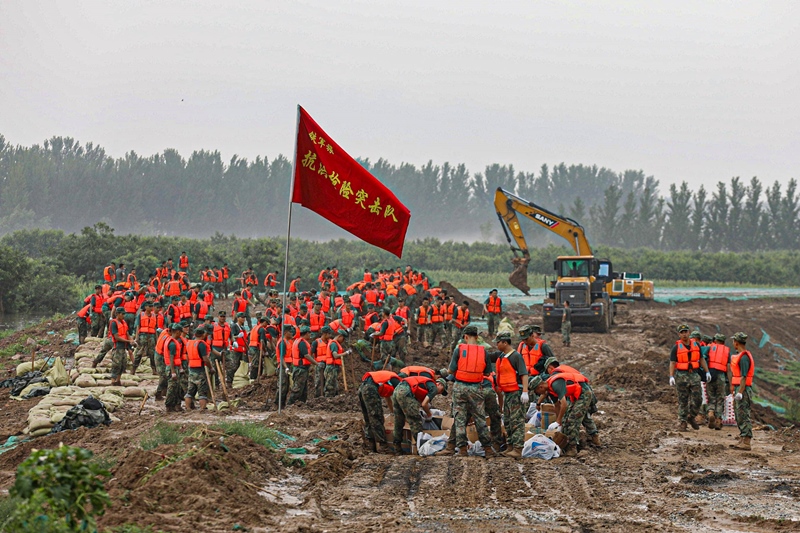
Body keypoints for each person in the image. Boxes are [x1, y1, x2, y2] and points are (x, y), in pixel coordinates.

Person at [448, 325, 499, 457]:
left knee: (460, 418)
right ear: (477, 337)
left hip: (459, 387)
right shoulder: (484, 352)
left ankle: (462, 449)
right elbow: (488, 372)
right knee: (480, 418)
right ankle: (487, 449)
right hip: (476, 387)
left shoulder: (459, 350)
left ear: (465, 337)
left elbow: (451, 370)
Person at [530, 364, 597, 457]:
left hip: (584, 393)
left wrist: (557, 421)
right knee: (566, 419)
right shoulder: (549, 390)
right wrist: (560, 422)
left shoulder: (555, 384)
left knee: (573, 419)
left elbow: (564, 404)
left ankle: (572, 448)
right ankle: (566, 444)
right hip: (576, 395)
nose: (539, 394)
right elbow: (557, 406)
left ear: (540, 387)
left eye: (537, 392)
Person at [391, 375, 448, 455]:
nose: (439, 393)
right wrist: (429, 414)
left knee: (398, 421)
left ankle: (397, 448)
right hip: (406, 392)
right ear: (439, 384)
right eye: (442, 391)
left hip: (397, 390)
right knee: (415, 421)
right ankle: (422, 449)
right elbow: (424, 404)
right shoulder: (434, 387)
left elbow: (421, 403)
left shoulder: (426, 385)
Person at [669, 324, 711, 431]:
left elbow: (701, 359)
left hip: (694, 375)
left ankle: (691, 416)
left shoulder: (696, 345)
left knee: (698, 399)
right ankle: (683, 421)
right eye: (682, 332)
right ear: (679, 334)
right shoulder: (676, 347)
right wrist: (671, 376)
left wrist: (707, 372)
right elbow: (673, 362)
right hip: (681, 375)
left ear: (689, 332)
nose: (684, 334)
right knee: (683, 399)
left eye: (685, 332)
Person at [494, 332, 529, 459]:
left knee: (516, 421)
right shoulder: (503, 356)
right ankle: (510, 446)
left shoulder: (516, 357)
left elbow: (524, 374)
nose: (496, 345)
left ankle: (518, 449)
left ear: (504, 342)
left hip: (516, 393)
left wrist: (525, 391)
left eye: (498, 342)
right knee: (508, 421)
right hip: (508, 393)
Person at [359, 370, 401, 454]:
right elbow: (400, 400)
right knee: (376, 417)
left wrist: (393, 414)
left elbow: (389, 400)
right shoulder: (397, 382)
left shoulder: (387, 380)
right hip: (370, 388)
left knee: (368, 417)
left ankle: (370, 444)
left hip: (362, 387)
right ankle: (382, 446)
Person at [729, 332, 754, 450]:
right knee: (739, 414)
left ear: (736, 342)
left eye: (734, 341)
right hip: (740, 388)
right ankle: (743, 437)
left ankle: (747, 440)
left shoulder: (743, 357)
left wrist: (740, 392)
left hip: (743, 389)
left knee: (743, 414)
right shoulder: (740, 355)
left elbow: (744, 376)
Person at [184, 328, 213, 411]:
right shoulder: (201, 344)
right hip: (200, 370)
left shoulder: (189, 343)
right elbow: (205, 359)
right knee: (202, 391)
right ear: (203, 335)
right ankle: (202, 408)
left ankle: (188, 407)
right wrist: (211, 368)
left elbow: (186, 356)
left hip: (191, 369)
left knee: (190, 390)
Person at [706, 333, 730, 430]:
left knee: (711, 397)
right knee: (720, 399)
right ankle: (718, 420)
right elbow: (728, 368)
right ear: (723, 342)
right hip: (721, 376)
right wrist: (730, 381)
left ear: (715, 340)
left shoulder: (709, 348)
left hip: (710, 375)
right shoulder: (726, 351)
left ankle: (711, 412)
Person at [288, 326, 314, 405]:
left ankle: (302, 405)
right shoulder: (302, 343)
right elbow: (306, 355)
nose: (310, 335)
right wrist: (316, 363)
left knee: (303, 389)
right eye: (309, 333)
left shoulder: (298, 341)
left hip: (302, 368)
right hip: (300, 369)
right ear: (306, 333)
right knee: (298, 389)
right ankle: (290, 404)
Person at [108, 307, 134, 386]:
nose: (124, 315)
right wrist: (128, 341)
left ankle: (118, 381)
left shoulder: (124, 322)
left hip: (124, 347)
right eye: (122, 314)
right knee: (116, 365)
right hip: (118, 347)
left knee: (123, 365)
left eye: (124, 314)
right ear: (117, 314)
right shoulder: (114, 323)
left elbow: (127, 334)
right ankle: (113, 381)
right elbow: (116, 337)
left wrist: (132, 341)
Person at [163, 323, 185, 412]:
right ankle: (169, 406)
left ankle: (176, 405)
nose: (181, 335)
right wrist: (173, 372)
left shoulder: (172, 341)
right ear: (177, 332)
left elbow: (177, 357)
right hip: (172, 368)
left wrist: (180, 368)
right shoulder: (172, 344)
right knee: (171, 388)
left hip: (175, 367)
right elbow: (171, 358)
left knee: (177, 387)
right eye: (180, 332)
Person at [132, 303, 158, 375]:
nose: (151, 308)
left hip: (151, 336)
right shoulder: (140, 315)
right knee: (139, 353)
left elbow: (155, 328)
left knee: (152, 353)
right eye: (150, 306)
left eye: (152, 306)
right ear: (146, 307)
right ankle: (133, 369)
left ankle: (154, 369)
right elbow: (138, 326)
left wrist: (157, 339)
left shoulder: (154, 316)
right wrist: (137, 337)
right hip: (142, 335)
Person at [325, 330, 349, 397]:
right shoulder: (334, 344)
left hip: (333, 367)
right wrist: (346, 353)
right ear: (340, 336)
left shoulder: (334, 343)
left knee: (334, 385)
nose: (343, 341)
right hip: (331, 367)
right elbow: (335, 356)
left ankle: (333, 400)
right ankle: (328, 400)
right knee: (330, 386)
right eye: (343, 339)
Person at [227, 312, 247, 387]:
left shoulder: (243, 327)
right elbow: (231, 336)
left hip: (242, 349)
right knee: (234, 365)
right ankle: (229, 381)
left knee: (240, 365)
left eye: (244, 317)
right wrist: (237, 336)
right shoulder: (234, 326)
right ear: (238, 318)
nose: (243, 319)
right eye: (242, 317)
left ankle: (237, 380)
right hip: (235, 349)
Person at [312, 326, 332, 397]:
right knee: (319, 382)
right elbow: (311, 354)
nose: (330, 335)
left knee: (329, 382)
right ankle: (318, 397)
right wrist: (316, 364)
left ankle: (327, 397)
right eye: (328, 334)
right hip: (319, 365)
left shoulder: (330, 342)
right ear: (324, 334)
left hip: (328, 365)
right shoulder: (316, 342)